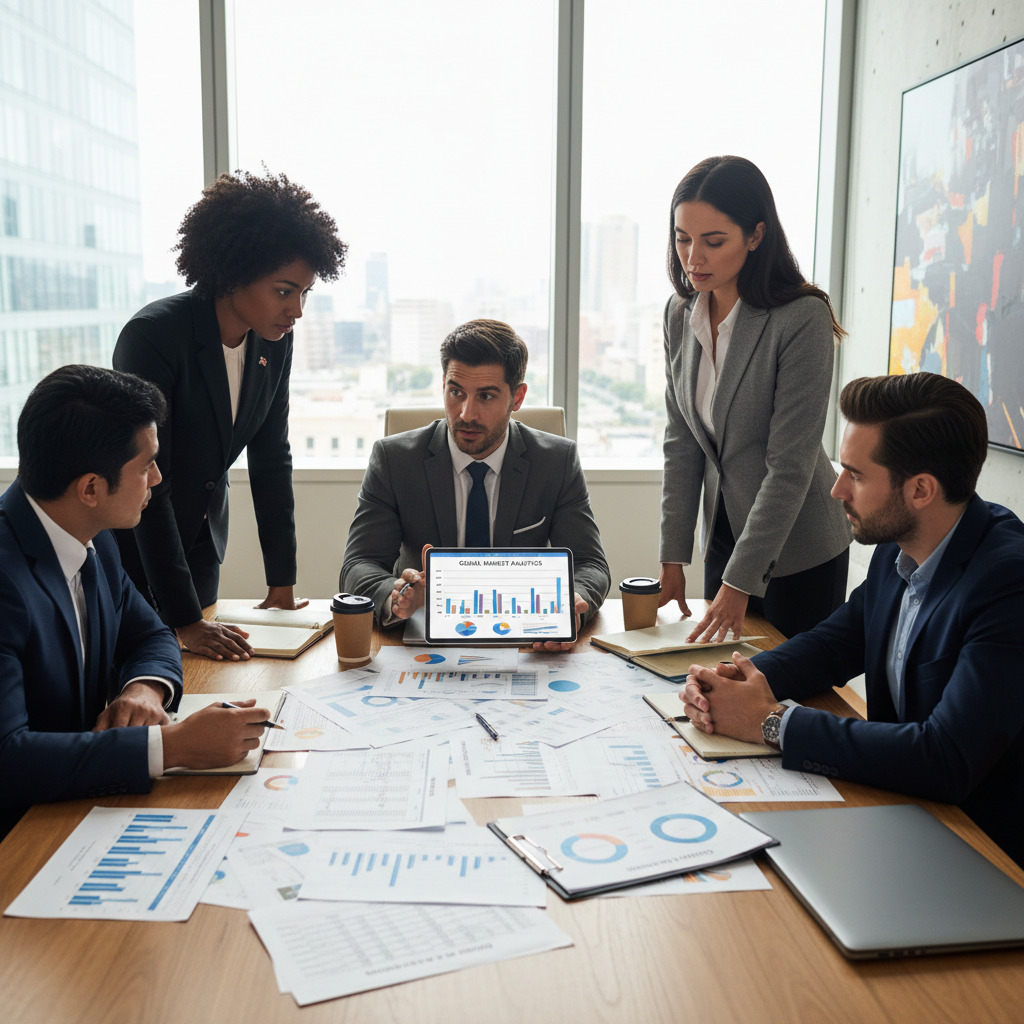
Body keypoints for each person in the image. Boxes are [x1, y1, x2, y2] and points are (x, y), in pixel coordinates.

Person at [681, 373, 1024, 866]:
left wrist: (771, 723)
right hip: (900, 811)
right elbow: (831, 645)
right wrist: (734, 683)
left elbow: (947, 758)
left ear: (921, 490)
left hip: (982, 849)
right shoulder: (898, 549)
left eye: (855, 475)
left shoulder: (1008, 583)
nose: (836, 489)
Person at [0, 365, 273, 839]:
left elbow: (148, 634)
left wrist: (144, 690)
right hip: (20, 832)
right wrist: (169, 748)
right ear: (90, 488)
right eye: (145, 465)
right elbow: (8, 759)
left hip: (73, 805)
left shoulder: (92, 537)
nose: (158, 477)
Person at [113, 170, 348, 661]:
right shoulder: (154, 338)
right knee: (142, 672)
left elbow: (271, 457)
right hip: (140, 546)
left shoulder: (272, 342)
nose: (297, 310)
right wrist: (185, 619)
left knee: (203, 679)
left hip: (200, 543)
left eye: (304, 293)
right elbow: (148, 478)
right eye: (285, 291)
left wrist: (281, 583)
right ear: (234, 272)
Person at [659, 155, 852, 643]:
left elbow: (789, 465)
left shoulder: (801, 318)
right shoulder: (681, 314)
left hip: (799, 548)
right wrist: (673, 557)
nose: (693, 258)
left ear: (756, 235)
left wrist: (740, 582)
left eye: (713, 241)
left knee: (790, 698)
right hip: (724, 532)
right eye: (683, 238)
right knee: (714, 684)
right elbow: (681, 442)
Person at [340, 319, 611, 651]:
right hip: (425, 637)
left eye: (486, 396)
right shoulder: (394, 460)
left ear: (518, 397)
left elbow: (590, 564)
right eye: (456, 392)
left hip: (525, 634)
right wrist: (396, 597)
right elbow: (358, 564)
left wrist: (573, 605)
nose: (466, 414)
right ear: (442, 384)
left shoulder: (556, 461)